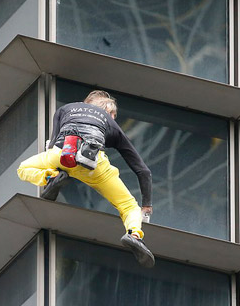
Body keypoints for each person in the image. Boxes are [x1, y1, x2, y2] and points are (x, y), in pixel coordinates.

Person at [17, 90, 155, 268]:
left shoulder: (66, 109)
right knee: (128, 206)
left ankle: (51, 177)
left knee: (23, 169)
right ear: (109, 112)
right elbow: (143, 170)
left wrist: (54, 167)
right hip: (94, 163)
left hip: (62, 154)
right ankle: (134, 235)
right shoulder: (110, 123)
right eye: (114, 115)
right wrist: (147, 205)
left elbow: (52, 143)